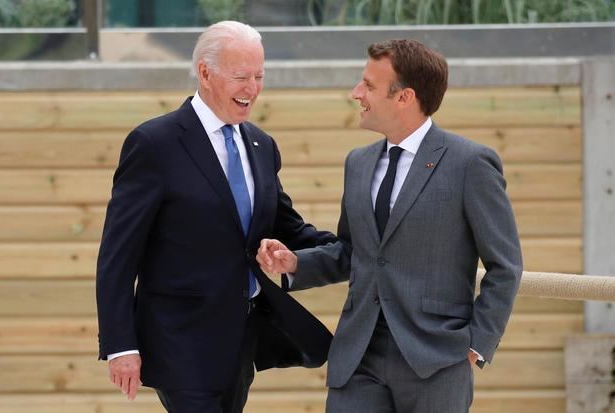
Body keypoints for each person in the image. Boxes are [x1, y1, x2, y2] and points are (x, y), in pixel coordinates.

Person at [257, 39, 523, 413]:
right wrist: (296, 263)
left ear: (404, 97)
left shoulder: (470, 164)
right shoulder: (358, 163)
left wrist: (477, 344)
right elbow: (353, 251)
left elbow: (505, 266)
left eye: (368, 85)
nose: (356, 93)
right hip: (358, 354)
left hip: (436, 359)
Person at [96, 20, 336, 413]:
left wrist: (359, 244)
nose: (252, 88)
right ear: (205, 73)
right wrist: (121, 345)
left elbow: (289, 227)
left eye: (259, 76)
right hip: (180, 342)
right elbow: (117, 256)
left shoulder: (261, 144)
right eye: (241, 76)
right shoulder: (155, 144)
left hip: (241, 341)